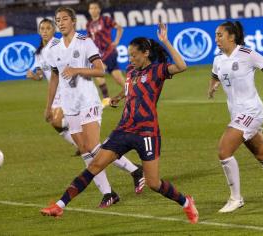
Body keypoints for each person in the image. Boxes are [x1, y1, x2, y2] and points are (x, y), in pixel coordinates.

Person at [40, 23, 199, 224]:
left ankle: (186, 202)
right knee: (95, 164)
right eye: (129, 55)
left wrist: (166, 41)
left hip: (147, 133)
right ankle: (59, 206)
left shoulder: (158, 70)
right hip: (123, 129)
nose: (130, 59)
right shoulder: (131, 71)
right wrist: (117, 97)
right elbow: (130, 89)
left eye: (134, 55)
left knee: (153, 183)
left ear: (146, 53)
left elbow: (182, 66)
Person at [43, 7, 145, 208]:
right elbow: (54, 77)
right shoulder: (53, 49)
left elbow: (100, 70)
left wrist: (77, 70)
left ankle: (135, 170)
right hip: (69, 105)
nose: (61, 23)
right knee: (84, 150)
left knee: (93, 147)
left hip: (88, 101)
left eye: (64, 19)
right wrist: (48, 106)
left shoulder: (85, 42)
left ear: (73, 21)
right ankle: (109, 193)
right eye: (58, 20)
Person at [208, 21, 263, 213]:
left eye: (220, 35)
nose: (216, 39)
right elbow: (215, 75)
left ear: (232, 37)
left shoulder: (247, 54)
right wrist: (212, 86)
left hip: (252, 111)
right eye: (216, 35)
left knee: (224, 150)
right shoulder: (218, 59)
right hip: (237, 113)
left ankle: (236, 198)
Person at [26, 18, 77, 153]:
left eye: (48, 28)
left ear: (54, 30)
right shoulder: (39, 52)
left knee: (57, 121)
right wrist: (34, 76)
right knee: (54, 122)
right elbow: (41, 75)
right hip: (55, 92)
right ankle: (80, 144)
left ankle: (83, 139)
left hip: (66, 89)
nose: (45, 31)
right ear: (39, 31)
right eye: (42, 29)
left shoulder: (57, 45)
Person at [86, 0, 126, 108]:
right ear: (89, 11)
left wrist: (116, 41)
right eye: (91, 8)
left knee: (117, 78)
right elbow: (89, 39)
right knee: (100, 74)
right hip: (98, 55)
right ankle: (107, 99)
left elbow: (119, 28)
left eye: (95, 8)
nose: (93, 10)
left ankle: (131, 91)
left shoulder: (106, 19)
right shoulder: (89, 24)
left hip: (109, 52)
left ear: (99, 9)